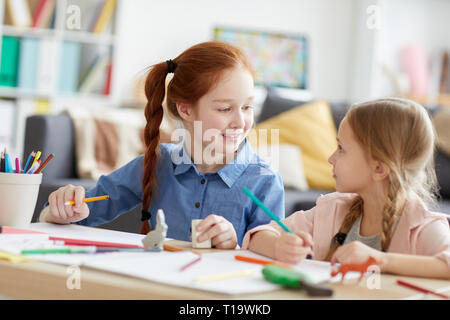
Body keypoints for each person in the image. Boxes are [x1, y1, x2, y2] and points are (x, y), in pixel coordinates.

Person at [39, 41, 285, 249]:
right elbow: (76, 213)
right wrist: (60, 209)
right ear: (185, 109)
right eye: (225, 108)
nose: (240, 122)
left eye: (247, 107)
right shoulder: (157, 164)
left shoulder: (264, 180)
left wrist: (236, 245)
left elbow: (272, 259)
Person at [243, 98, 450, 279]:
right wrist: (279, 246)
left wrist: (380, 260)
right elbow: (259, 235)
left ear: (379, 168)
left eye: (341, 149)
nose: (330, 158)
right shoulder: (331, 210)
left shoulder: (424, 228)